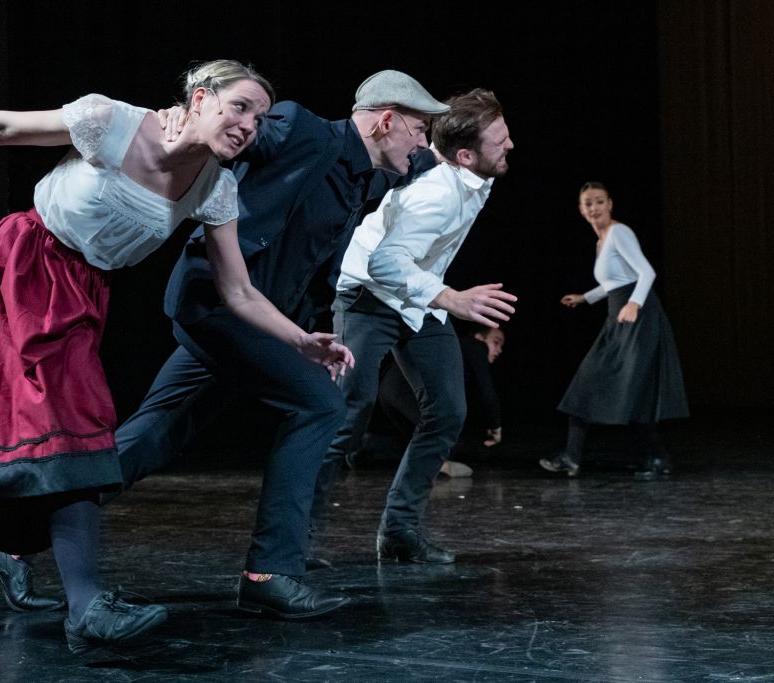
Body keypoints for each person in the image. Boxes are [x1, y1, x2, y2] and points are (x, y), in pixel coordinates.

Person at [0, 60, 352, 651]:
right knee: (75, 434)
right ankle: (87, 606)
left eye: (260, 119)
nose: (249, 125)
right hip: (16, 274)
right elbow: (2, 128)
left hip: (78, 299)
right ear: (199, 99)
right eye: (240, 107)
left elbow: (238, 290)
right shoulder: (111, 121)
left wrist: (300, 340)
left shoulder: (215, 187)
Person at [109, 70, 448, 619]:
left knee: (157, 432)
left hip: (260, 322)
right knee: (320, 405)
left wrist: (464, 150)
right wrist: (181, 117)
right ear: (385, 121)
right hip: (220, 302)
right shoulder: (301, 130)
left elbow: (425, 162)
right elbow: (232, 131)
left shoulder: (371, 175)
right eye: (418, 129)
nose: (421, 142)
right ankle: (270, 573)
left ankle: (17, 537)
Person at [308, 88, 516, 567]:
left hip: (416, 298)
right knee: (346, 418)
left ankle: (400, 532)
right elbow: (384, 262)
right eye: (499, 140)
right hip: (367, 295)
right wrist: (451, 298)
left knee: (447, 412)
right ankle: (292, 538)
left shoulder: (468, 174)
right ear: (466, 156)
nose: (510, 145)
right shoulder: (436, 194)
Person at [540, 182, 688, 479]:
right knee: (588, 380)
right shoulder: (601, 241)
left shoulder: (620, 232)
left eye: (599, 201)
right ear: (581, 210)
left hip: (638, 318)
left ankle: (658, 457)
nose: (594, 208)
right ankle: (572, 457)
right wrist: (586, 297)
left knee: (634, 387)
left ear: (610, 204)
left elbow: (646, 272)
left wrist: (634, 304)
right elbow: (615, 281)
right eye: (588, 203)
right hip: (617, 317)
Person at [374, 325, 506, 477]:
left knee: (413, 440)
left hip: (389, 388)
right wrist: (495, 425)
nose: (499, 350)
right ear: (479, 337)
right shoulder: (476, 346)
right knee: (443, 433)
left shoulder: (457, 348)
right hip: (405, 388)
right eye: (496, 342)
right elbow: (486, 390)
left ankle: (366, 449)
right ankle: (439, 466)